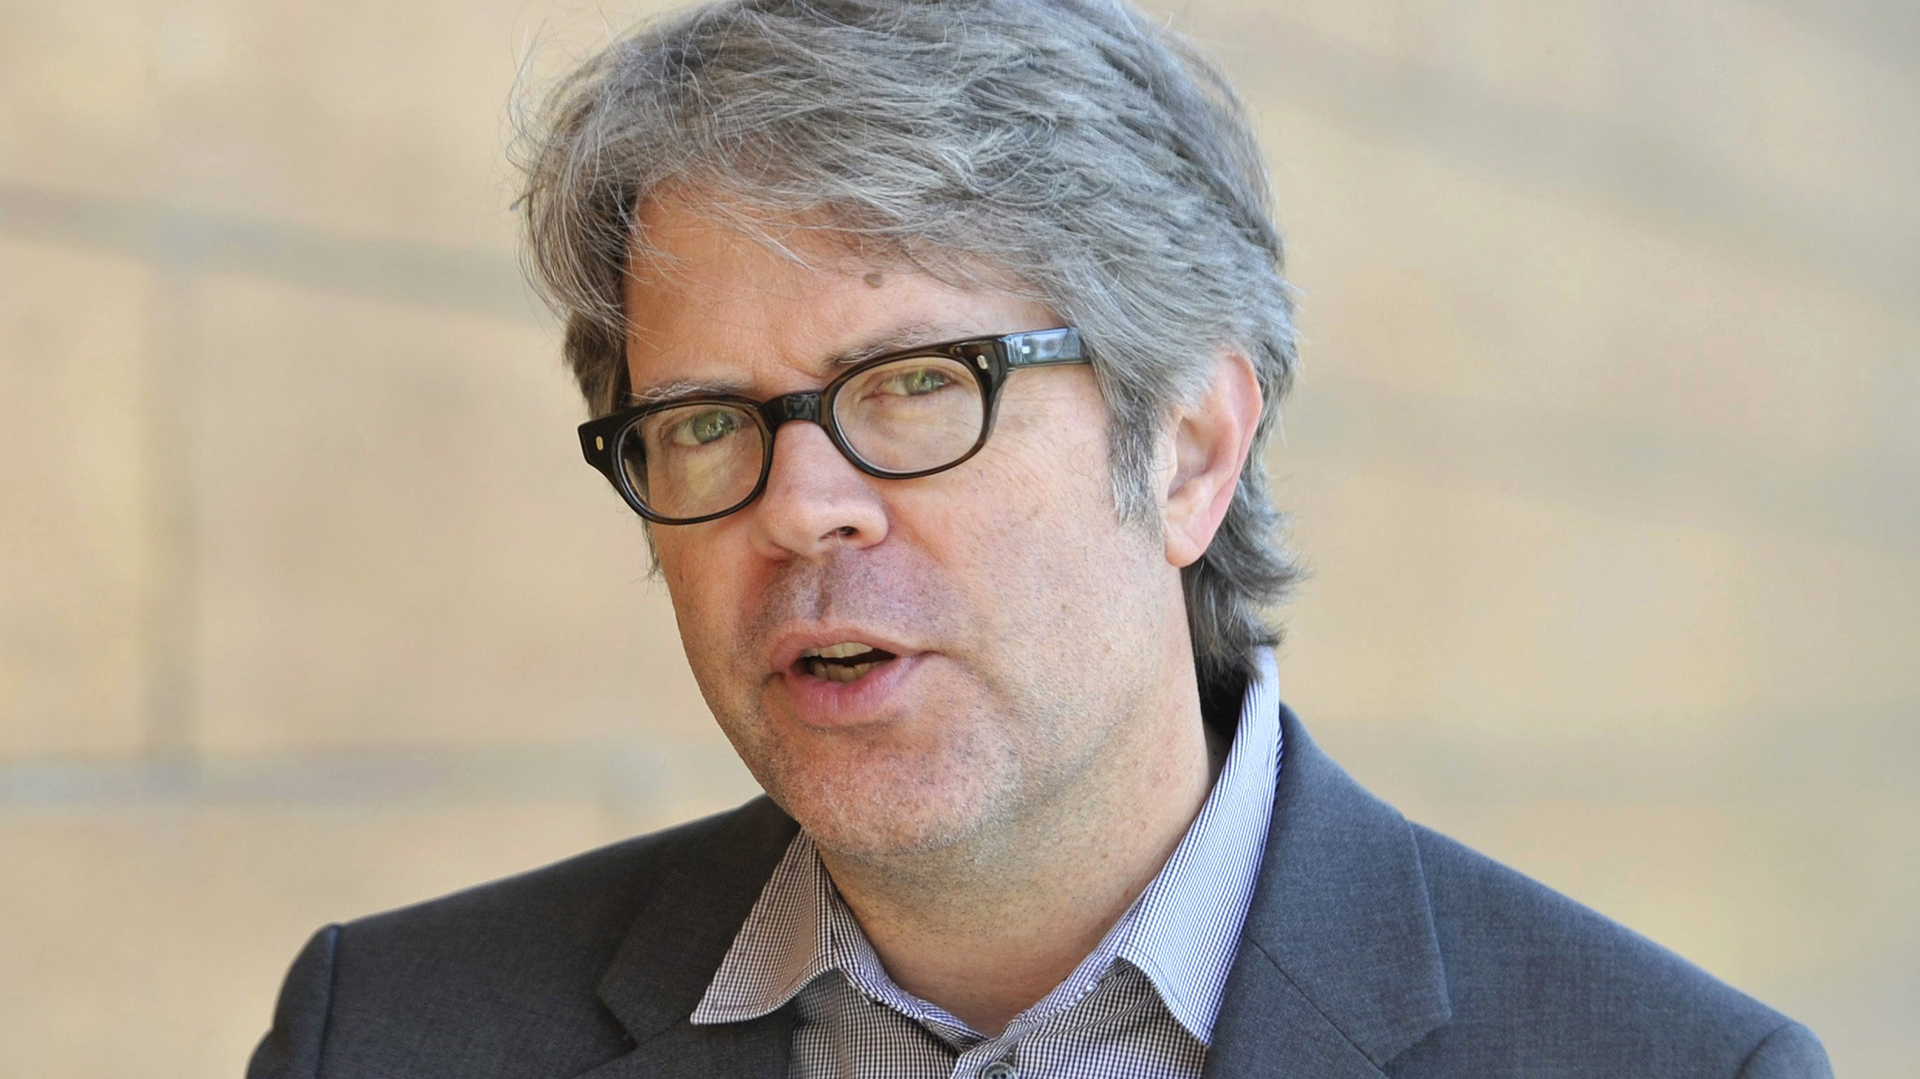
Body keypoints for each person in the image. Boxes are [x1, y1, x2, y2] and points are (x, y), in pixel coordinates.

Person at [248, 1, 1832, 1076]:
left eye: (917, 385)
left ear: (1191, 449)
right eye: (710, 420)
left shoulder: (1668, 1066)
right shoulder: (387, 1037)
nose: (800, 506)